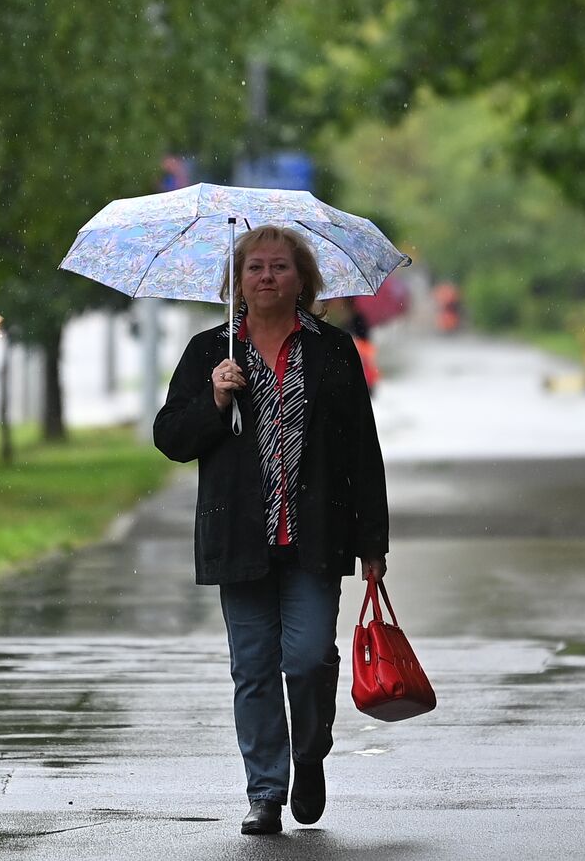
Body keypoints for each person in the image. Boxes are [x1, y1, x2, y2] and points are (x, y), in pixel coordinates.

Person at [153, 225, 390, 835]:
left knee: (309, 660)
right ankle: (264, 791)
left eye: (280, 267)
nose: (266, 277)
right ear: (237, 282)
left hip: (314, 535)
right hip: (239, 538)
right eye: (254, 267)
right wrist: (214, 400)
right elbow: (172, 438)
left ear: (302, 280)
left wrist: (372, 544)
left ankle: (308, 758)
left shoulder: (333, 350)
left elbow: (362, 450)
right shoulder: (212, 352)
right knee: (253, 668)